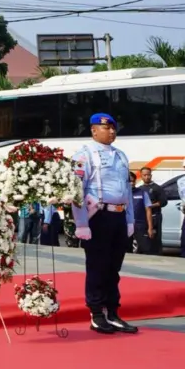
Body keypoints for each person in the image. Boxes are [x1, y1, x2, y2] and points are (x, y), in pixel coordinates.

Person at [68, 113, 138, 335]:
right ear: (93, 130)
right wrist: (81, 223)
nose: (111, 132)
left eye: (113, 128)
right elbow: (76, 191)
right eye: (105, 128)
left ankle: (113, 312)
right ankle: (97, 314)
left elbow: (126, 189)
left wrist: (129, 220)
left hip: (118, 216)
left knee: (113, 268)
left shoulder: (121, 156)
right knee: (97, 267)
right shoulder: (84, 155)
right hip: (98, 216)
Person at [140, 167, 166, 254]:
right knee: (145, 238)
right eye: (144, 175)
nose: (147, 177)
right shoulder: (140, 189)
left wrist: (150, 206)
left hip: (155, 216)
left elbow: (163, 202)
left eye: (148, 175)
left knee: (155, 237)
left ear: (151, 175)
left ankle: (157, 254)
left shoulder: (157, 188)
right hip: (143, 217)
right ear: (141, 176)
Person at [131, 171, 153, 254]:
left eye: (133, 181)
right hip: (125, 225)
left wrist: (150, 228)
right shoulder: (121, 194)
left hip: (140, 225)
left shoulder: (142, 193)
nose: (131, 183)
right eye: (129, 181)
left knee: (144, 249)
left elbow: (148, 210)